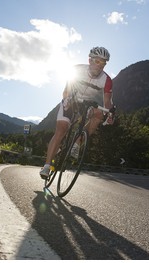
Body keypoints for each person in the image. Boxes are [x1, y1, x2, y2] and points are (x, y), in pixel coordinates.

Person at [40, 46, 115, 179]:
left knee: (99, 114)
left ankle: (78, 142)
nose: (100, 65)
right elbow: (66, 91)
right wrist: (66, 99)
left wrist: (110, 113)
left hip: (86, 103)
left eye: (103, 63)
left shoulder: (107, 80)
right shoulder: (77, 70)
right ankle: (46, 166)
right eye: (98, 61)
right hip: (72, 99)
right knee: (62, 129)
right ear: (90, 60)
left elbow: (107, 102)